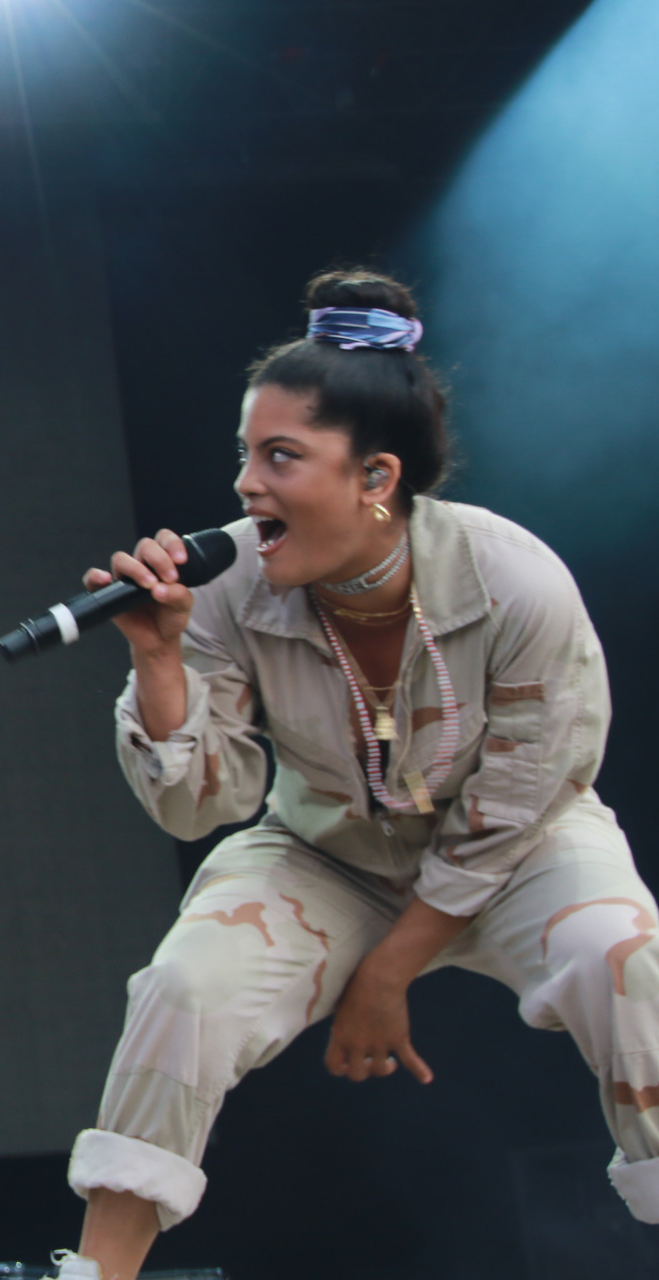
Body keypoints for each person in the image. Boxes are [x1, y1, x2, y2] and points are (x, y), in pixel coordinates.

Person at [49, 270, 659, 1280]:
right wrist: (159, 657)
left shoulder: (515, 581)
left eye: (280, 456)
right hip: (326, 850)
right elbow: (205, 803)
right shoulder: (233, 582)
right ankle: (98, 1271)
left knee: (622, 955)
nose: (247, 484)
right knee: (186, 984)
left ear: (376, 477)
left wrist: (388, 970)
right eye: (244, 453)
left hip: (521, 846)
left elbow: (511, 805)